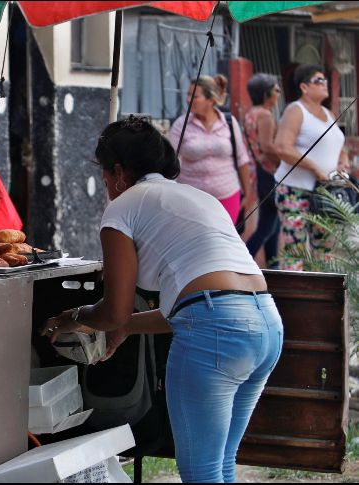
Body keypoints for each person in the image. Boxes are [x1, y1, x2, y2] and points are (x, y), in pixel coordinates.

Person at [41, 116, 283, 483]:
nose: (106, 184)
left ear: (118, 172)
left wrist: (73, 317)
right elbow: (190, 306)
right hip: (266, 324)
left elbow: (116, 309)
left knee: (201, 472)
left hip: (216, 330)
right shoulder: (200, 198)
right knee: (220, 465)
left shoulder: (122, 207)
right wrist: (127, 328)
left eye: (105, 175)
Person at [273, 64, 348, 271]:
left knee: (325, 250)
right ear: (304, 87)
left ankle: (320, 298)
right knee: (295, 249)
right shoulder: (296, 110)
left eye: (325, 80)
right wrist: (314, 168)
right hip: (295, 190)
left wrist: (343, 161)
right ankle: (292, 299)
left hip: (325, 191)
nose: (324, 84)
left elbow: (340, 143)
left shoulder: (328, 113)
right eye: (318, 80)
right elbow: (282, 147)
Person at [168, 75, 255, 226]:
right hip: (191, 199)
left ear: (211, 100)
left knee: (225, 243)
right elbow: (168, 160)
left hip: (227, 195)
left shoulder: (228, 122)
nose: (188, 100)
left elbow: (242, 159)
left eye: (195, 96)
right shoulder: (180, 125)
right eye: (188, 95)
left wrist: (247, 194)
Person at [244, 74, 282, 267]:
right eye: (276, 90)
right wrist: (286, 157)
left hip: (257, 171)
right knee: (269, 223)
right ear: (266, 93)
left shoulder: (250, 112)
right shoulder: (265, 115)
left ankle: (274, 265)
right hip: (268, 171)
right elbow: (267, 147)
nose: (278, 94)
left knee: (273, 221)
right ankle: (244, 257)